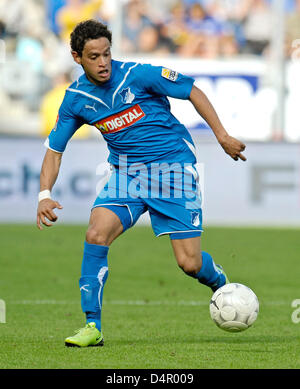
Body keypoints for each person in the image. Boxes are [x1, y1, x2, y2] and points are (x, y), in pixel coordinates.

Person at [36, 19, 246, 348]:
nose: (103, 62)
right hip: (127, 175)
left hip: (173, 169)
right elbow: (54, 150)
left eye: (106, 54)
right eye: (94, 57)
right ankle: (93, 326)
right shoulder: (76, 99)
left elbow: (192, 90)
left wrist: (221, 136)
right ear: (77, 57)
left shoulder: (140, 74)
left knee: (189, 263)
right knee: (95, 234)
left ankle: (217, 278)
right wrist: (44, 194)